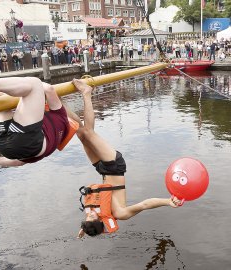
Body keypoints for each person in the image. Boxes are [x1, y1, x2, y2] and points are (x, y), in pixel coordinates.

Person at [71, 79, 181, 238]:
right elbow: (144, 205)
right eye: (92, 217)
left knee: (80, 134)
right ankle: (85, 93)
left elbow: (91, 218)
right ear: (101, 222)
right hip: (114, 166)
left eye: (88, 216)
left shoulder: (93, 218)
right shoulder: (121, 213)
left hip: (101, 168)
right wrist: (167, 202)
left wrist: (84, 229)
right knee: (88, 133)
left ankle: (57, 104)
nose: (91, 214)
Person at [0, 64, 72, 169]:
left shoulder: (61, 118)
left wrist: (39, 90)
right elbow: (19, 162)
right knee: (3, 97)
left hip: (26, 141)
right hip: (3, 145)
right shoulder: (49, 146)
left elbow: (49, 89)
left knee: (35, 84)